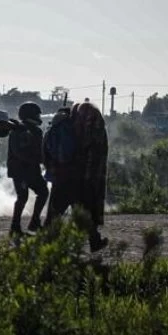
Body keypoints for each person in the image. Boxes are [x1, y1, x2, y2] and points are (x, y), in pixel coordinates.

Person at [45, 102, 109, 251]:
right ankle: (93, 241)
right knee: (82, 211)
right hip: (78, 179)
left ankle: (46, 243)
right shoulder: (91, 129)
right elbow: (94, 157)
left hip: (62, 177)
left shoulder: (67, 126)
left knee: (56, 213)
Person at [8, 102, 48, 235]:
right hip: (21, 171)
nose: (38, 116)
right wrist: (36, 159)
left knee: (43, 192)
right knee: (22, 197)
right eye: (36, 114)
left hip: (31, 170)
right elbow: (18, 152)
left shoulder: (35, 130)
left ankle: (35, 222)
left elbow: (39, 150)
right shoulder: (19, 130)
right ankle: (15, 227)